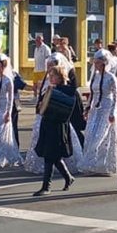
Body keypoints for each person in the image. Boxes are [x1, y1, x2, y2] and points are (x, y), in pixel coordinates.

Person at [78, 50, 117, 176]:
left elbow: (115, 96)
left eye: (98, 63)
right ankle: (92, 163)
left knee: (102, 137)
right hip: (96, 110)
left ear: (104, 63)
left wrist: (112, 112)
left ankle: (104, 164)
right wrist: (88, 108)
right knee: (91, 135)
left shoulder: (111, 78)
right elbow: (93, 94)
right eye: (94, 62)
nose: (95, 65)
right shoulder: (95, 76)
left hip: (107, 109)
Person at [33, 67, 81, 196]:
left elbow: (67, 107)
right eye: (50, 75)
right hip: (47, 124)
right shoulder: (50, 89)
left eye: (53, 75)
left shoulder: (66, 90)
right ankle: (68, 177)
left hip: (58, 126)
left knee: (50, 155)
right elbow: (41, 106)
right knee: (52, 156)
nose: (50, 78)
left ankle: (46, 186)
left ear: (60, 76)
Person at [0, 54, 21, 168]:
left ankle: (0, 157)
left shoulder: (7, 80)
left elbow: (10, 98)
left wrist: (8, 113)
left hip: (3, 109)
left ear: (3, 66)